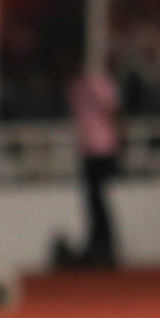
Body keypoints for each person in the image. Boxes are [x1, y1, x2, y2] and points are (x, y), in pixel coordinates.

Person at [64, 63, 122, 268]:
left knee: (98, 201)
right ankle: (99, 246)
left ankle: (105, 247)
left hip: (103, 148)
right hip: (89, 149)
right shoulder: (75, 86)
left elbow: (114, 109)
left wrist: (120, 141)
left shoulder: (96, 82)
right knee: (93, 201)